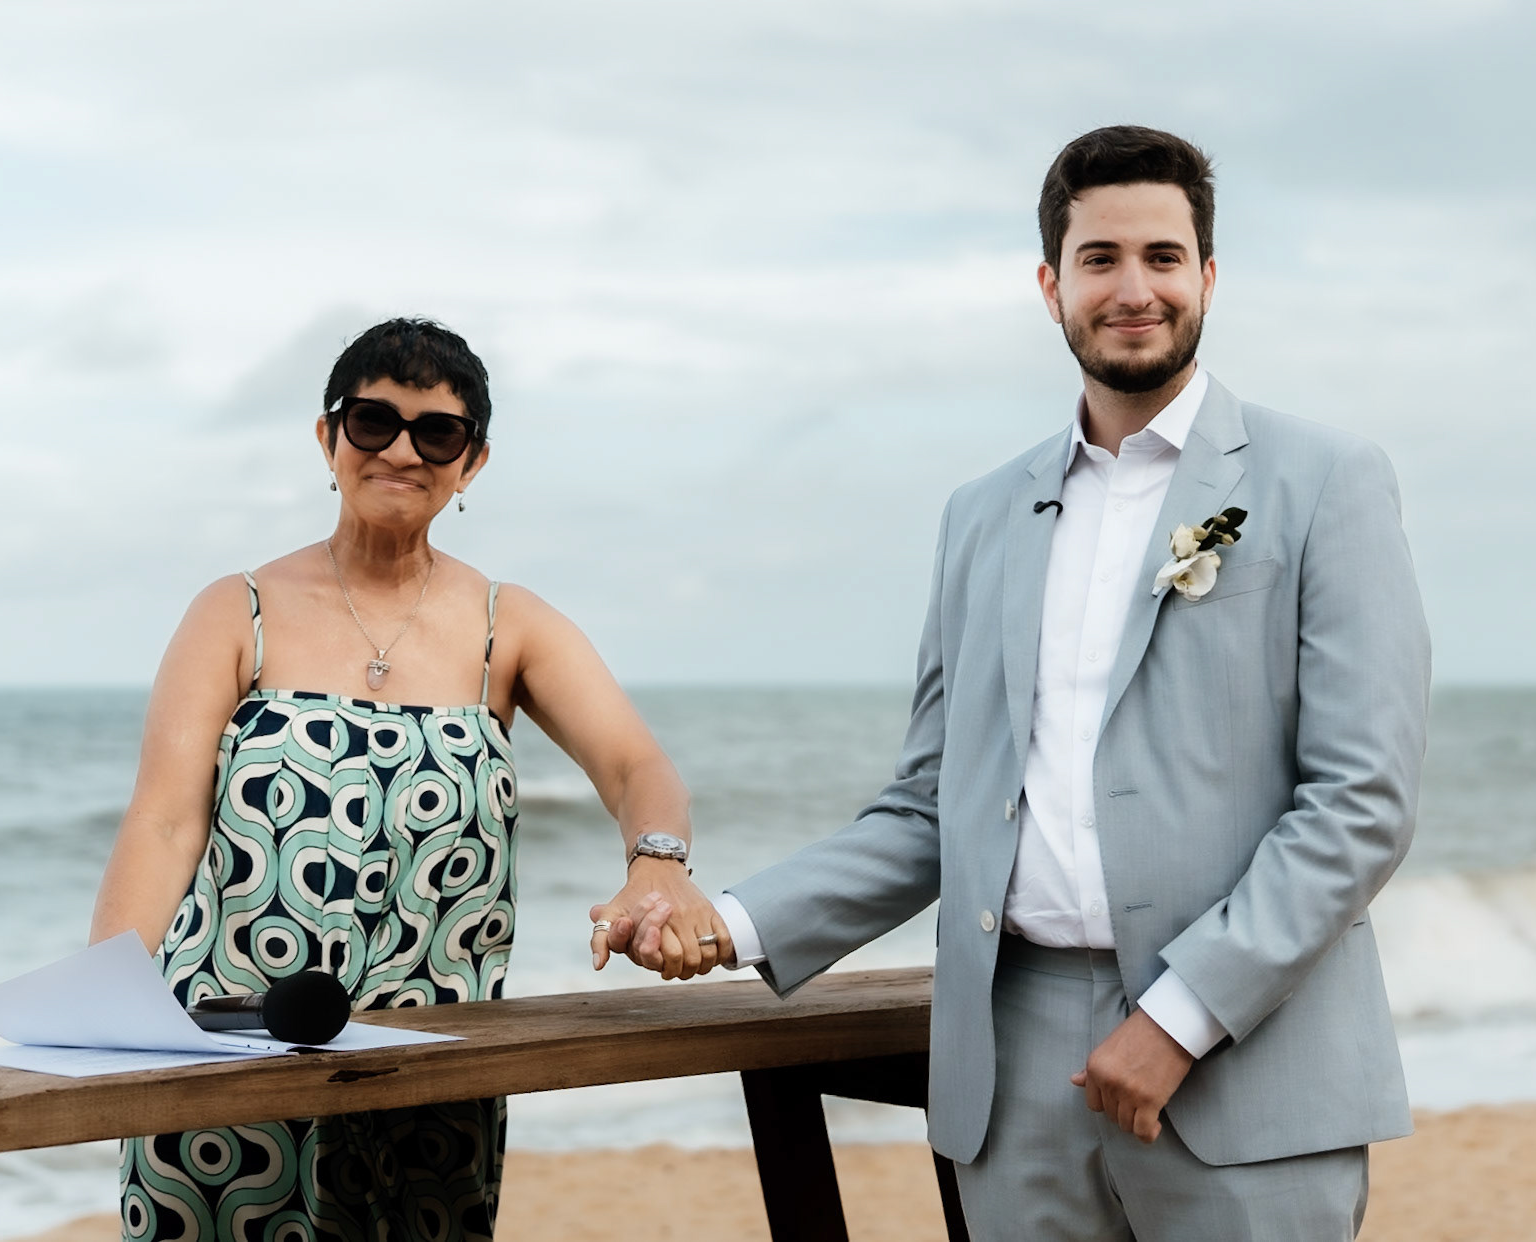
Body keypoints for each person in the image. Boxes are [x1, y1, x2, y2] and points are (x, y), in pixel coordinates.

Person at [611, 126, 1429, 1240]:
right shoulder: (980, 515)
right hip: (1013, 1068)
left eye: (1162, 256)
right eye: (1099, 259)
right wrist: (731, 925)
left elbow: (1359, 801)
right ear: (1051, 286)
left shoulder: (1327, 479)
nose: (1133, 289)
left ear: (1208, 276)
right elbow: (928, 807)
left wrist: (1182, 1016)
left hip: (1250, 1061)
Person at [90, 317, 726, 1242]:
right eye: (373, 421)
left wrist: (658, 863)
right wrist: (102, 1006)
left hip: (430, 1075)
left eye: (437, 432)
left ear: (472, 462)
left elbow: (638, 766)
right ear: (328, 436)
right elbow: (162, 823)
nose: (400, 450)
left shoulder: (509, 625)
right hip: (223, 1058)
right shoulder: (237, 611)